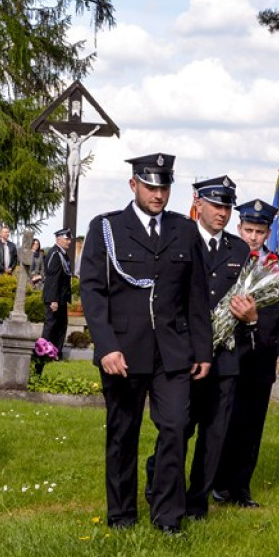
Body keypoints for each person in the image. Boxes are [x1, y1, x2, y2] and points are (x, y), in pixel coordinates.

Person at [79, 152, 212, 535]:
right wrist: (106, 346)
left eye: (164, 187)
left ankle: (168, 515)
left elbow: (196, 295)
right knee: (123, 433)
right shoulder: (107, 228)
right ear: (133, 184)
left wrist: (202, 350)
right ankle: (122, 514)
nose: (158, 194)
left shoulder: (183, 230)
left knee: (175, 428)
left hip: (172, 352)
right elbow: (92, 291)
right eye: (151, 187)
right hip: (123, 351)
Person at [214, 198, 279, 508]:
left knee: (251, 423)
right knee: (222, 419)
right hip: (226, 351)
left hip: (262, 352)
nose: (253, 237)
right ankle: (216, 481)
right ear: (239, 228)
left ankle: (240, 488)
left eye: (260, 232)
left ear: (268, 233)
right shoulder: (226, 258)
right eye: (248, 230)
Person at [174, 175, 244, 520]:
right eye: (216, 205)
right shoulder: (180, 241)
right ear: (198, 203)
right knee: (178, 428)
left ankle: (197, 502)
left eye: (227, 207)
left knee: (214, 434)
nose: (222, 213)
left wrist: (251, 315)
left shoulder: (239, 249)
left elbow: (248, 296)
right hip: (186, 355)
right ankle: (163, 488)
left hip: (224, 357)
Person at [41, 228, 73, 365]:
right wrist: (53, 300)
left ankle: (56, 353)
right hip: (54, 298)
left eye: (69, 239)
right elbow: (52, 279)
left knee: (61, 325)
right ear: (58, 239)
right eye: (66, 239)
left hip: (62, 298)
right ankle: (42, 352)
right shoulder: (55, 254)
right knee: (51, 325)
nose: (69, 241)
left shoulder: (63, 254)